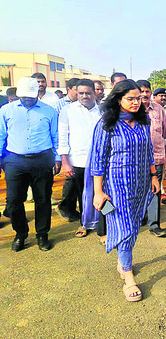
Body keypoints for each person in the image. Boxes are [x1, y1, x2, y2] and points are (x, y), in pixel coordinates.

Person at [90, 79, 159, 302]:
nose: (136, 102)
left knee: (134, 224)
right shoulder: (106, 125)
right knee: (125, 227)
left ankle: (123, 259)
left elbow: (148, 150)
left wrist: (153, 176)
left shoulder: (142, 122)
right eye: (131, 99)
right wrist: (98, 191)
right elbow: (98, 160)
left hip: (140, 183)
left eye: (139, 98)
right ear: (118, 99)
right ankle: (128, 275)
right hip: (117, 184)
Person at [0, 77, 61, 252]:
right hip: (15, 160)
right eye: (24, 96)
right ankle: (20, 234)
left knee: (43, 199)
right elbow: (1, 135)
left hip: (42, 160)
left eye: (30, 96)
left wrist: (57, 158)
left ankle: (42, 234)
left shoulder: (48, 111)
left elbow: (55, 136)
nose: (27, 99)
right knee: (13, 201)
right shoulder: (6, 110)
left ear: (37, 94)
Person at [57, 79, 101, 234]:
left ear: (94, 93)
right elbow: (62, 137)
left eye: (88, 93)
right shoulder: (68, 111)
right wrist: (65, 162)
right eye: (80, 93)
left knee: (102, 193)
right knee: (83, 195)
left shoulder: (103, 111)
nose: (84, 96)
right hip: (77, 161)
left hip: (100, 162)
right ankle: (85, 223)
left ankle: (104, 224)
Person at [138, 80, 166, 237]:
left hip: (156, 157)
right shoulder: (130, 109)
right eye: (141, 91)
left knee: (155, 190)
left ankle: (154, 224)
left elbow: (164, 133)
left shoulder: (158, 109)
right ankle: (139, 218)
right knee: (138, 189)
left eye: (147, 91)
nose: (144, 94)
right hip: (136, 159)